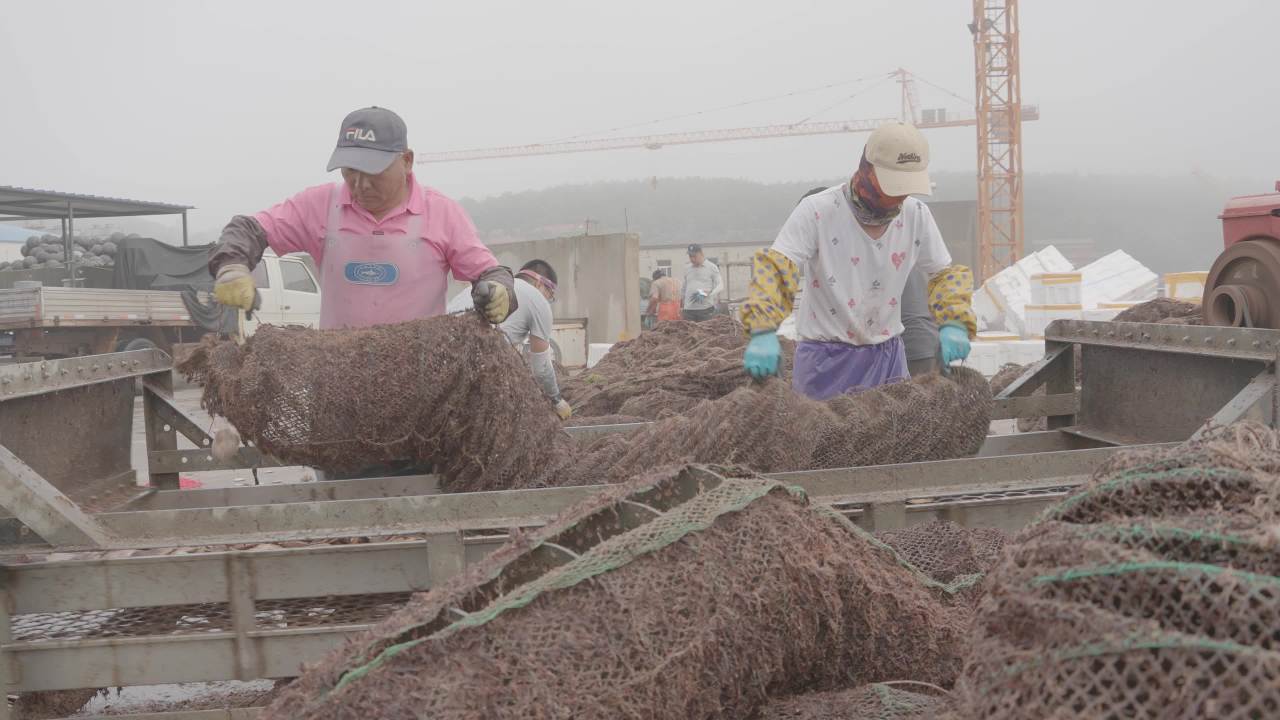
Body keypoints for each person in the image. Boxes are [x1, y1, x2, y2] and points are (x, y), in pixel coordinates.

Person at [208, 106, 516, 330]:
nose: (360, 184)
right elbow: (249, 229)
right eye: (350, 171)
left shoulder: (442, 213)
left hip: (420, 384)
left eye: (373, 171)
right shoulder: (320, 206)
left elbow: (491, 273)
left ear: (406, 161)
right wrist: (232, 265)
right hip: (338, 377)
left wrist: (499, 291)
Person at [740, 122, 976, 400]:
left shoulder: (916, 215)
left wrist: (954, 322)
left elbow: (942, 274)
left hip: (888, 357)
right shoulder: (818, 211)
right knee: (825, 440)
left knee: (895, 439)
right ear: (868, 170)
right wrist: (763, 329)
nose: (898, 197)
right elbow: (777, 267)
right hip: (825, 361)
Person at [446, 260, 572, 420]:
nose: (548, 300)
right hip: (473, 363)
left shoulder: (487, 285)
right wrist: (556, 400)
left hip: (442, 354)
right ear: (541, 284)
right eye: (550, 294)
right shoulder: (538, 301)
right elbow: (541, 368)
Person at [681, 244, 723, 321]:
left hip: (705, 310)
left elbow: (720, 285)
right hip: (688, 310)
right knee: (689, 333)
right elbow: (684, 288)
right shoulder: (687, 268)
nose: (692, 259)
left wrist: (709, 293)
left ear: (701, 254)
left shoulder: (712, 267)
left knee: (706, 332)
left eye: (694, 256)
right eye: (690, 256)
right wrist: (682, 303)